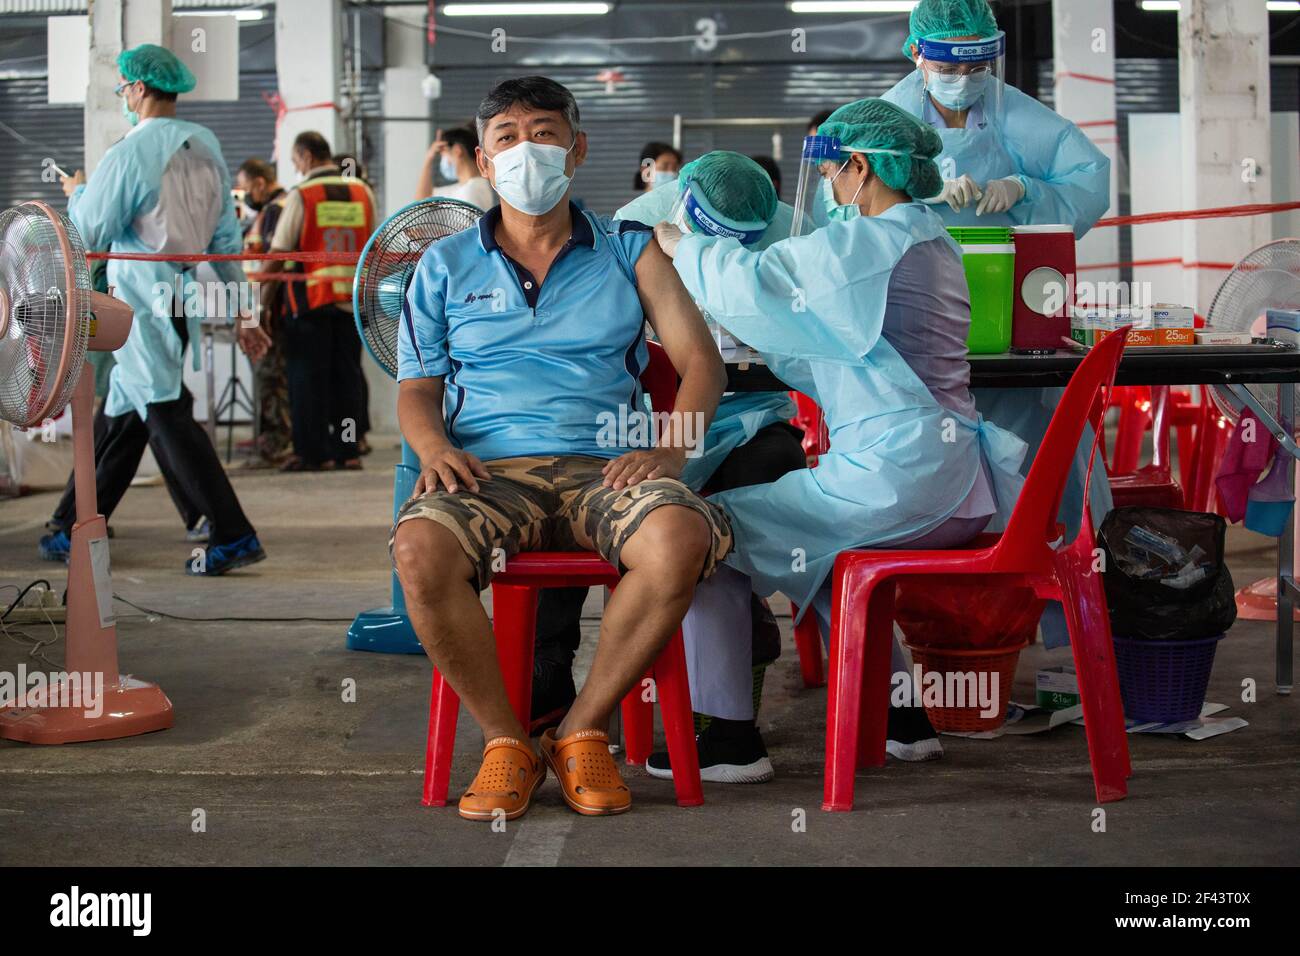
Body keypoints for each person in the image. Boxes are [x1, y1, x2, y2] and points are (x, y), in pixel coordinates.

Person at [392, 76, 732, 822]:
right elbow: (416, 389)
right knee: (419, 554)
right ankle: (506, 742)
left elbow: (702, 363)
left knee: (676, 537)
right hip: (486, 469)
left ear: (576, 148)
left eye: (544, 133)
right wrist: (433, 449)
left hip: (604, 466)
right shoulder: (442, 266)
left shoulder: (629, 249)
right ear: (484, 161)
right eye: (507, 137)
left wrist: (671, 453)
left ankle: (582, 728)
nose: (526, 151)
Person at [653, 98, 1029, 769]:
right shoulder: (929, 237)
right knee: (815, 551)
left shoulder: (873, 242)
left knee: (699, 530)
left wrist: (687, 246)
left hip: (899, 482)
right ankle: (903, 719)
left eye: (832, 175)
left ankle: (730, 741)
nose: (828, 190)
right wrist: (768, 343)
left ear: (860, 167)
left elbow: (762, 282)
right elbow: (844, 348)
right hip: (945, 481)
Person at [529, 151, 807, 783]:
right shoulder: (631, 234)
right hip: (645, 424)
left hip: (751, 420)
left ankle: (736, 697)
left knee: (745, 519)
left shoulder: (795, 237)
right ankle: (549, 680)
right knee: (573, 499)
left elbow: (807, 342)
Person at [882, 0, 1113, 645]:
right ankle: (944, 630)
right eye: (951, 62)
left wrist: (1027, 190)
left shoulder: (1010, 110)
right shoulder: (887, 120)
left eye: (979, 61)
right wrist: (916, 199)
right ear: (916, 55)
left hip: (1006, 320)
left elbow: (1088, 174)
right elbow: (838, 206)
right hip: (914, 316)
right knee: (935, 468)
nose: (965, 76)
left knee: (1041, 460)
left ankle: (1065, 631)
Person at [39, 44, 266, 576]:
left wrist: (77, 191)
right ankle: (72, 520)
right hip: (177, 297)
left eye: (123, 87)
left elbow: (89, 230)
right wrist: (246, 311)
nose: (123, 96)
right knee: (124, 414)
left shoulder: (129, 152)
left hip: (137, 294)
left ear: (138, 89)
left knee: (164, 410)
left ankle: (233, 532)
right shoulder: (207, 144)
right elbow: (227, 243)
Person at [261, 131, 376, 472]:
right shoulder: (362, 191)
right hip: (352, 301)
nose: (296, 168)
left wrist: (263, 303)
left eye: (295, 161)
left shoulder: (303, 194)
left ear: (307, 157)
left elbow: (280, 253)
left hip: (311, 299)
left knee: (307, 379)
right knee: (347, 379)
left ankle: (313, 453)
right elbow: (372, 243)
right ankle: (347, 449)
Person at [235, 158, 292, 467]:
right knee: (271, 375)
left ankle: (275, 444)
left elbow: (273, 262)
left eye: (245, 187)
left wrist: (258, 310)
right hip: (268, 304)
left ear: (259, 183)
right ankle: (271, 439)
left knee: (270, 376)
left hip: (270, 307)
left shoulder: (275, 210)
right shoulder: (272, 210)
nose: (244, 194)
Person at [416, 126, 497, 210]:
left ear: (457, 150)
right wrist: (429, 157)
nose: (443, 160)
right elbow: (422, 200)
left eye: (443, 154)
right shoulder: (463, 187)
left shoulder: (472, 189)